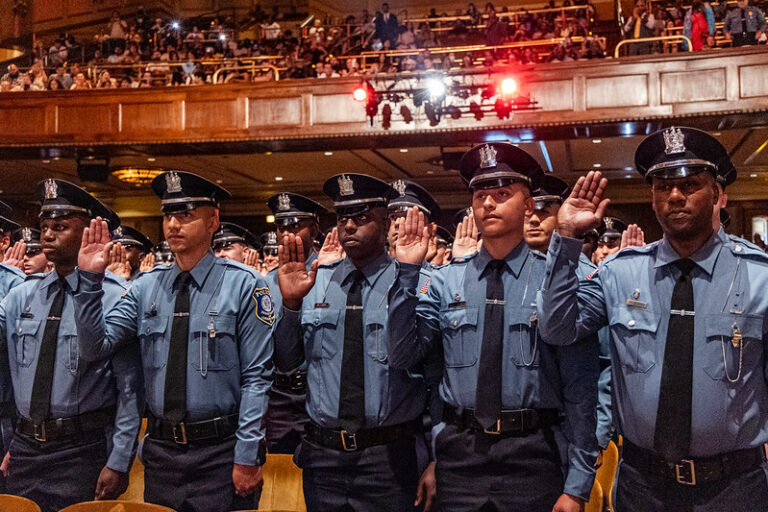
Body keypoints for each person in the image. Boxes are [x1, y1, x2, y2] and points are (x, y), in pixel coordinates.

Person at [538, 126, 768, 511]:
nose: (675, 195)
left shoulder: (759, 276)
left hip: (735, 487)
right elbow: (557, 328)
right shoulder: (620, 273)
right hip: (642, 485)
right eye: (663, 186)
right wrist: (565, 240)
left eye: (690, 184)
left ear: (716, 194)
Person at [389, 144, 598, 512]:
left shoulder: (553, 280)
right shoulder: (445, 281)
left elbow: (579, 386)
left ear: (529, 205)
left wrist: (578, 484)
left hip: (532, 454)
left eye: (502, 194)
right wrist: (407, 272)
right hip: (460, 454)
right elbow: (407, 356)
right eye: (480, 194)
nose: (488, 203)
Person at [73, 170, 273, 511]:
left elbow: (257, 378)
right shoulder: (145, 287)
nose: (174, 224)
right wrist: (90, 282)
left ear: (213, 221)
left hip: (220, 451)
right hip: (163, 453)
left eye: (186, 214)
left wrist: (247, 454)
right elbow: (97, 347)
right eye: (168, 214)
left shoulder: (245, 285)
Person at [274, 174, 431, 511]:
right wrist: (290, 305)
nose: (348, 227)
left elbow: (430, 373)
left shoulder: (414, 280)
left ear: (386, 221)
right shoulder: (316, 282)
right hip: (323, 456)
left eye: (361, 218)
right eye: (342, 217)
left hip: (388, 457)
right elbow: (287, 362)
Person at [0, 179, 142, 512]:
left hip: (81, 449)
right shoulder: (22, 294)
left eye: (60, 226)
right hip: (25, 447)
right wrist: (16, 440)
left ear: (93, 231)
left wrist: (120, 459)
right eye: (44, 226)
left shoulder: (115, 297)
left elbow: (130, 389)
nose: (47, 235)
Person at [263, 192, 327, 454]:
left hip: (317, 394)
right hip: (277, 395)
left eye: (296, 225)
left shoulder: (331, 275)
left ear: (314, 227)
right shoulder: (266, 281)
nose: (287, 233)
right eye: (281, 227)